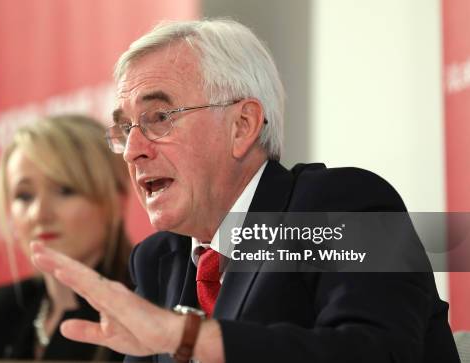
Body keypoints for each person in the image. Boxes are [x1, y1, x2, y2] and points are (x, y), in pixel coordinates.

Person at [31, 19, 460, 363]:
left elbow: (372, 353)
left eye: (159, 117)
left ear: (243, 126)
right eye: (126, 128)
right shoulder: (159, 260)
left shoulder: (345, 205)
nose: (133, 151)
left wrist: (189, 338)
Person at [0, 114, 132, 361]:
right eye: (24, 196)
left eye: (65, 190)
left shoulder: (147, 305)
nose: (40, 214)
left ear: (116, 199)